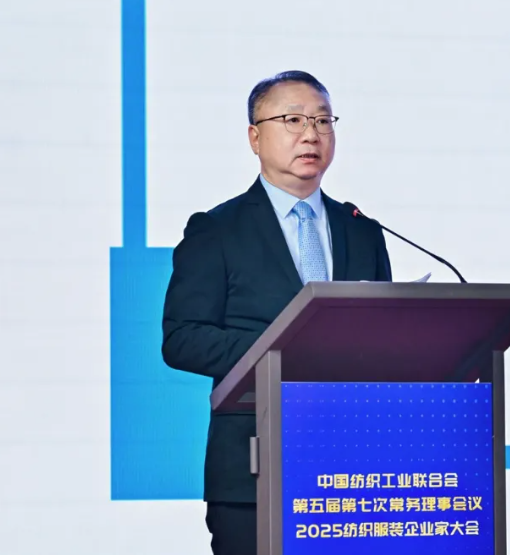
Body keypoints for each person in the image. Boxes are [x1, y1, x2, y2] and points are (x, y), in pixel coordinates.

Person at [160, 70, 393, 555]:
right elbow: (182, 338)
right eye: (293, 120)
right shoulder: (216, 230)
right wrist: (284, 349)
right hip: (254, 471)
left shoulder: (363, 230)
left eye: (323, 121)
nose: (311, 134)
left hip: (353, 473)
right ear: (254, 137)